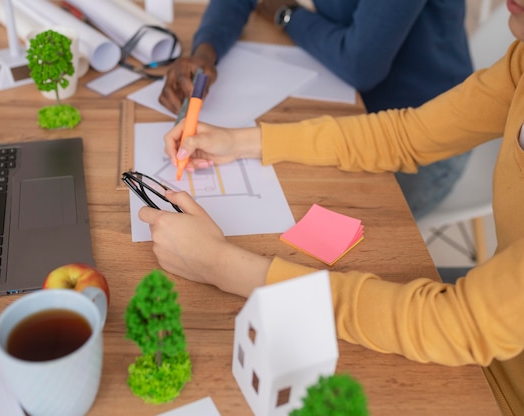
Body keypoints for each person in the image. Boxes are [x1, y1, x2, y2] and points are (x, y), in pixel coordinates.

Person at [138, 3, 524, 414]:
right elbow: (407, 134)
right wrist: (246, 142)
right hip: (488, 351)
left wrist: (219, 263)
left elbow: (454, 325)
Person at [159, 0, 474, 220]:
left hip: (425, 144)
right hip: (353, 115)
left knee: (304, 229)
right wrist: (205, 52)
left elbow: (360, 64)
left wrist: (288, 15)